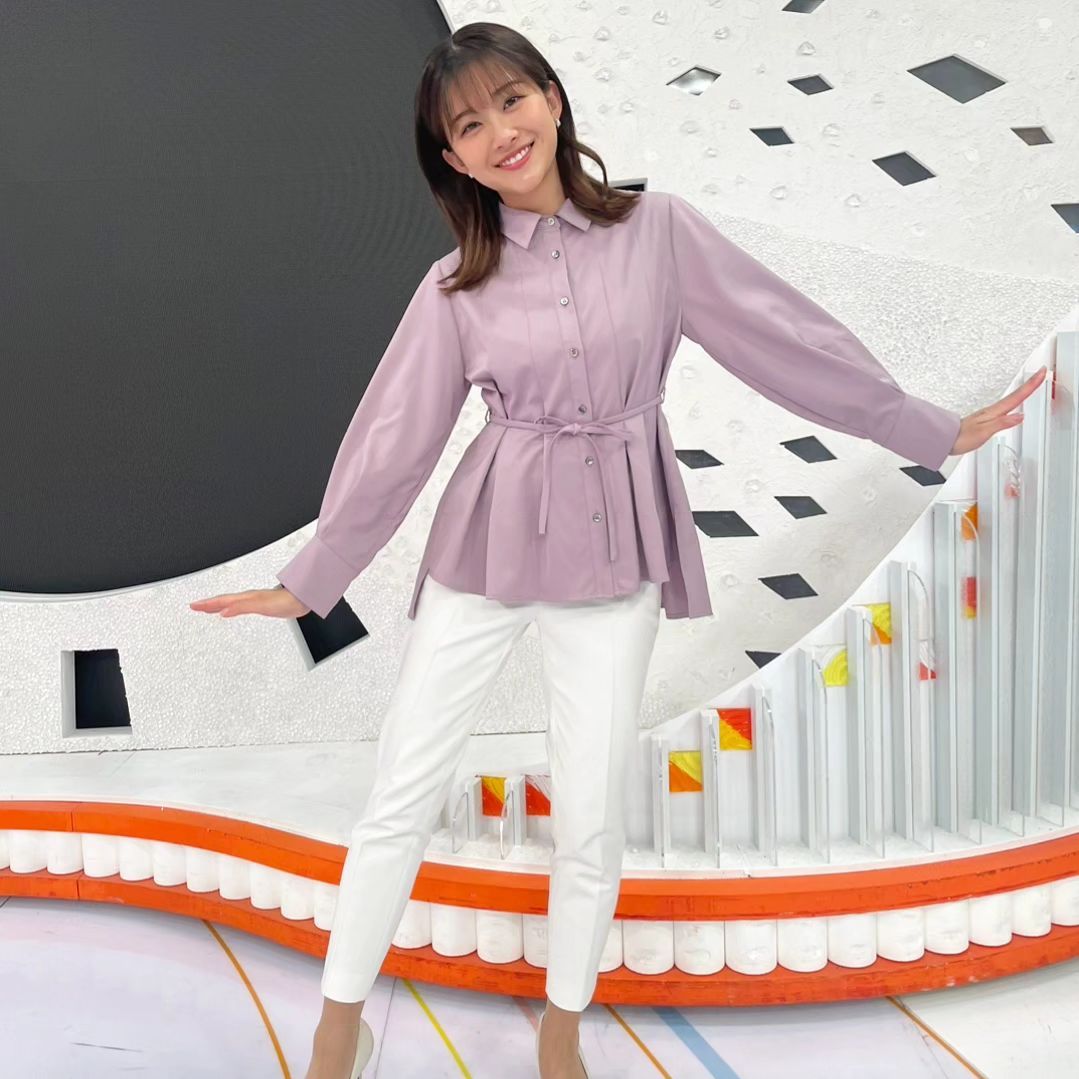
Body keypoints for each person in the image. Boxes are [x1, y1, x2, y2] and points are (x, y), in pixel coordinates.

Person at [189, 21, 1047, 1079]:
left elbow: (780, 338)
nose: (500, 132)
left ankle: (561, 1028)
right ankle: (338, 1025)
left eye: (511, 101)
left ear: (551, 100)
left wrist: (921, 425)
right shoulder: (453, 286)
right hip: (486, 552)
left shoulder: (660, 232)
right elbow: (395, 439)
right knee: (401, 792)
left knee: (590, 815)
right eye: (468, 125)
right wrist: (311, 577)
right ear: (452, 160)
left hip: (616, 549)